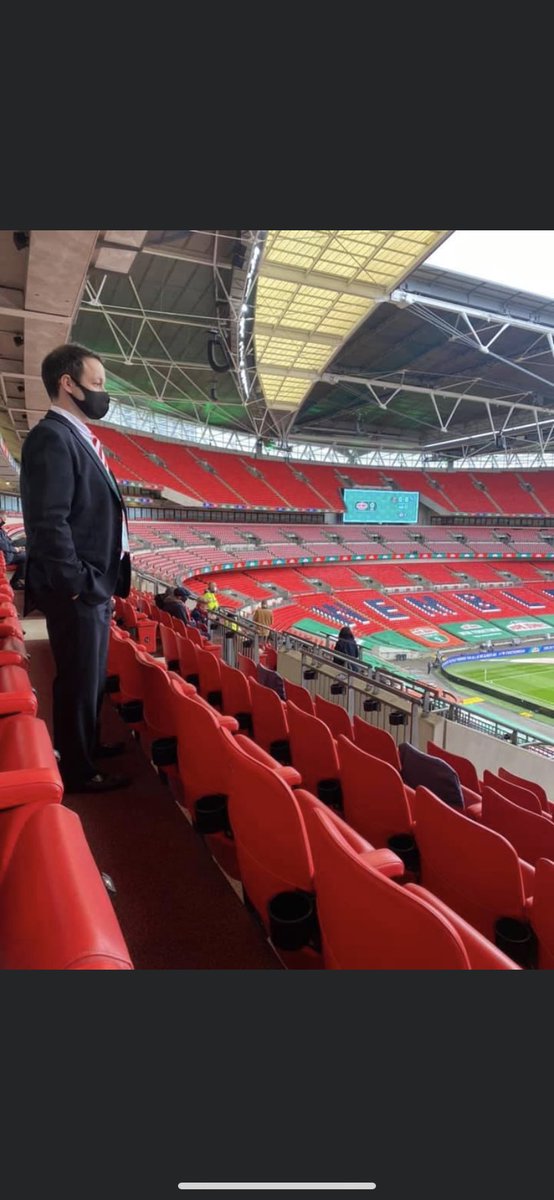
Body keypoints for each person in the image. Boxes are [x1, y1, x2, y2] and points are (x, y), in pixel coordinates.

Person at [19, 343, 132, 795]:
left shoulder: (76, 437)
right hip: (80, 588)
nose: (103, 392)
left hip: (94, 584)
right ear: (68, 383)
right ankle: (79, 770)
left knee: (91, 676)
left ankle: (88, 745)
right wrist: (77, 584)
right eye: (97, 382)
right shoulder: (52, 437)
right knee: (78, 678)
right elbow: (49, 523)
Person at [0, 516, 26, 589]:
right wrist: (15, 549)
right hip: (6, 556)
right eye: (3, 519)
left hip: (8, 553)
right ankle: (15, 582)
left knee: (25, 543)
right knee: (26, 557)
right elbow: (3, 546)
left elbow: (9, 542)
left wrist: (19, 547)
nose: (4, 521)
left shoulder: (1, 530)